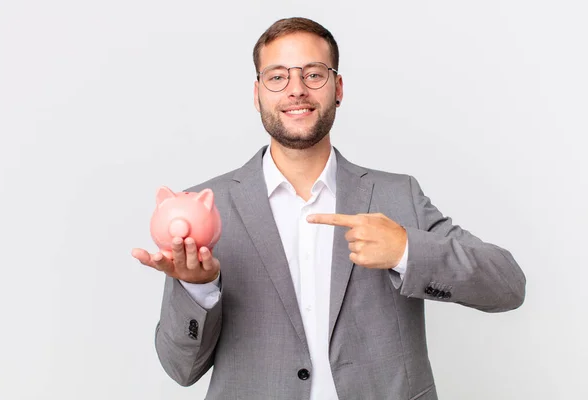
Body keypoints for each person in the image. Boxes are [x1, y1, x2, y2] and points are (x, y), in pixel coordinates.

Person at [131, 17, 526, 400]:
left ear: (337, 88)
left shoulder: (397, 196)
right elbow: (180, 370)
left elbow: (508, 286)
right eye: (277, 76)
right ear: (257, 94)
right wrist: (196, 288)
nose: (296, 89)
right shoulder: (206, 207)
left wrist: (406, 250)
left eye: (314, 74)